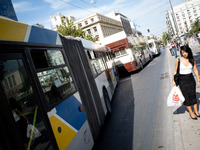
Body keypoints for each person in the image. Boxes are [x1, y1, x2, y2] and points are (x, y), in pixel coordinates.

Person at [172, 45, 200, 120]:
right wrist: (173, 81)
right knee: (186, 98)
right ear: (181, 52)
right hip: (182, 81)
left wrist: (198, 80)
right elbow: (175, 71)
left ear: (188, 52)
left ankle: (196, 111)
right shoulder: (178, 60)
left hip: (191, 79)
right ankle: (191, 112)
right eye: (183, 52)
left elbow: (196, 70)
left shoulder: (192, 60)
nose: (184, 53)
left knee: (193, 96)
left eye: (186, 52)